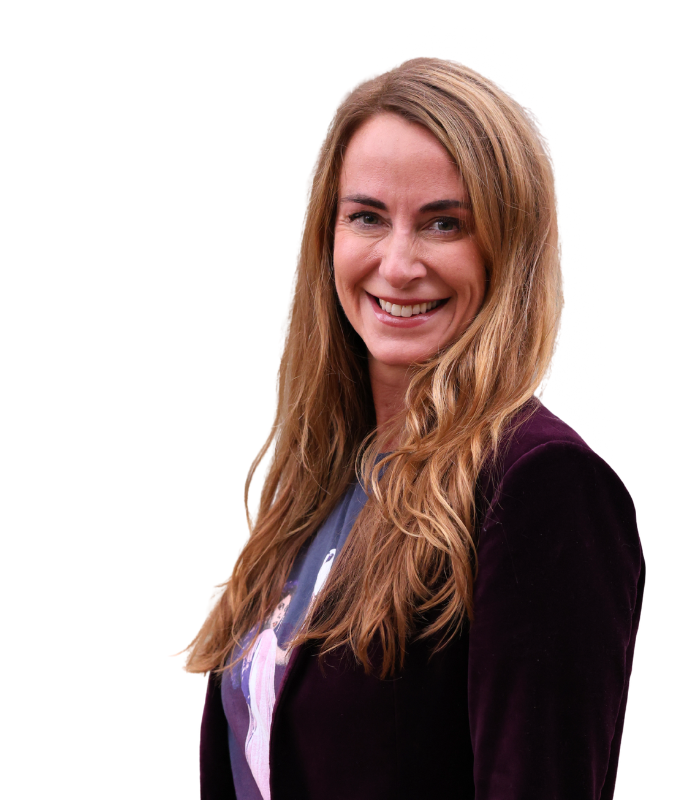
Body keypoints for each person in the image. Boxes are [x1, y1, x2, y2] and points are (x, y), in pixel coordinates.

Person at [171, 56, 646, 800]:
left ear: (508, 248)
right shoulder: (322, 487)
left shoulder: (541, 485)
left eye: (444, 224)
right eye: (366, 216)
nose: (397, 264)